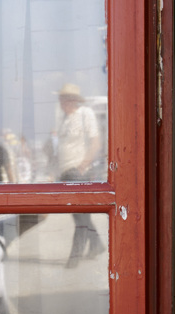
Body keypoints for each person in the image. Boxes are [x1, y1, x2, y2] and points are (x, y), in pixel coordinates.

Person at [56, 83, 107, 267]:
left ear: (73, 100)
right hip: (66, 172)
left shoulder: (85, 114)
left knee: (80, 217)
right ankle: (96, 245)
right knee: (80, 215)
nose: (61, 102)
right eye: (61, 98)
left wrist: (83, 165)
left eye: (64, 98)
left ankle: (74, 258)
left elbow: (96, 142)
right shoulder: (64, 119)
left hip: (78, 172)